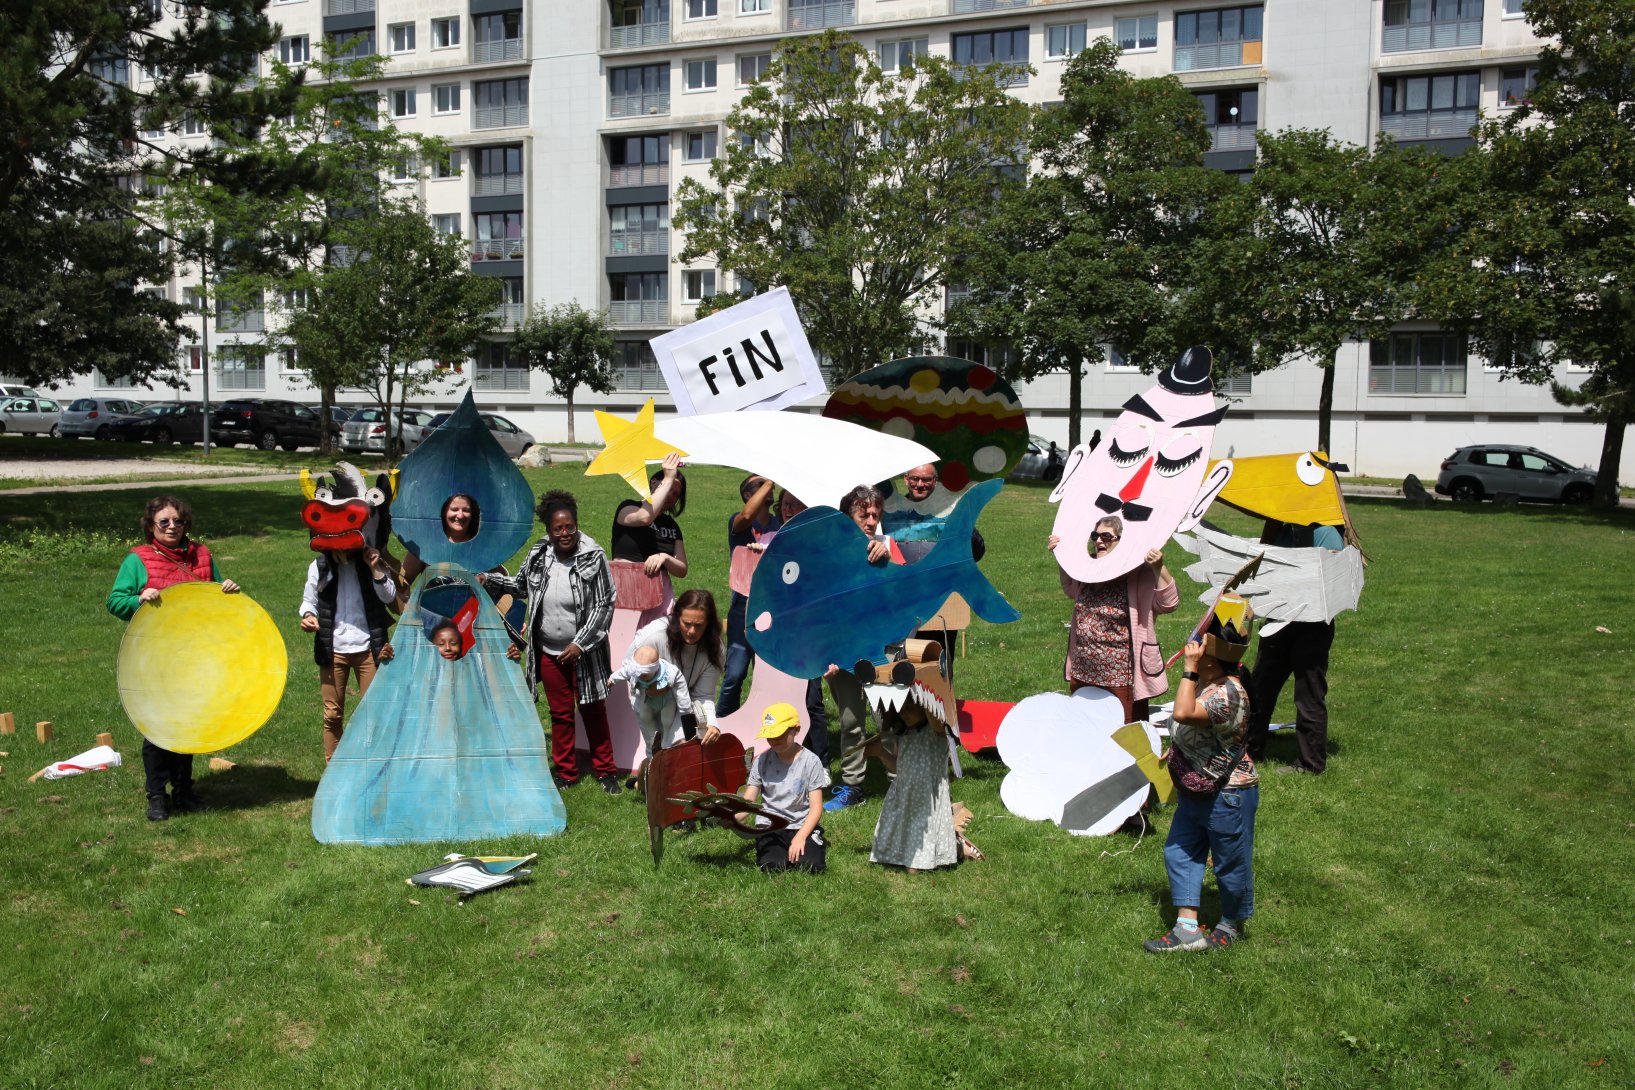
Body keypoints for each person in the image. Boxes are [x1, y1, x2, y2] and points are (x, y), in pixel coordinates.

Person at [105, 495, 241, 821]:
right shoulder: (138, 560)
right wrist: (138, 599)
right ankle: (157, 797)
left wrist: (228, 590)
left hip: (194, 654)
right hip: (155, 657)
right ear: (150, 525)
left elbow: (213, 596)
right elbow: (115, 601)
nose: (171, 527)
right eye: (164, 521)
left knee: (187, 723)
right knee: (157, 728)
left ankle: (183, 792)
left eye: (178, 521)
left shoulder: (201, 555)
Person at [481, 489, 621, 794]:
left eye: (570, 526)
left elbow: (605, 603)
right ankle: (566, 773)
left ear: (576, 524)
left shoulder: (593, 555)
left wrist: (579, 644)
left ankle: (606, 772)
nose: (565, 533)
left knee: (593, 712)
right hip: (548, 651)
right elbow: (520, 586)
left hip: (585, 653)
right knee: (560, 715)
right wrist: (489, 580)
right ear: (549, 529)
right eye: (558, 528)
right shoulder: (539, 554)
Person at [1145, 612, 1258, 953]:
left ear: (1210, 659)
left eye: (1198, 646)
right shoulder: (1209, 683)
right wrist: (1180, 749)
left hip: (1227, 794)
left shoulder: (1227, 694)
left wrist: (1189, 669)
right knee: (1180, 852)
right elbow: (1188, 725)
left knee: (1230, 863)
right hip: (1196, 787)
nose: (1190, 647)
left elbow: (1183, 712)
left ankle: (1230, 924)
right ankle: (1187, 929)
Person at [1048, 514, 1179, 724]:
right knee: (1086, 727)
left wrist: (1158, 567)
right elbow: (1070, 589)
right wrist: (1062, 557)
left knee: (1124, 732)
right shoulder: (1087, 566)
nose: (1099, 541)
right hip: (1083, 672)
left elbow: (1169, 603)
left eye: (1106, 537)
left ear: (1122, 541)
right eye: (1095, 536)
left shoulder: (1139, 573)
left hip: (1120, 677)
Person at [1246, 520, 1346, 775]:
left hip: (1312, 624)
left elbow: (1334, 580)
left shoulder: (1326, 534)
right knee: (1260, 687)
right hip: (1278, 618)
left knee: (1308, 692)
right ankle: (1249, 750)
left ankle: (1310, 763)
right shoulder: (1280, 531)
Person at [823, 484, 895, 811]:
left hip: (879, 649)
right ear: (847, 517)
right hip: (843, 652)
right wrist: (828, 653)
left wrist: (887, 559)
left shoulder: (886, 547)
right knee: (850, 722)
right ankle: (853, 785)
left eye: (875, 515)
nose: (871, 521)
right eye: (863, 515)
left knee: (887, 720)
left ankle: (898, 781)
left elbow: (903, 588)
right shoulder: (830, 554)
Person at [299, 541, 398, 761]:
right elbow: (309, 601)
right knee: (332, 715)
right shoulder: (319, 566)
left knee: (374, 714)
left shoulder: (371, 561)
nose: (343, 550)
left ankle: (374, 767)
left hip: (369, 648)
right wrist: (308, 615)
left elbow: (389, 596)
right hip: (333, 649)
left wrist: (375, 568)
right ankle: (333, 769)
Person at [867, 701, 959, 873]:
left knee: (913, 870)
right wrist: (880, 752)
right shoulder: (904, 733)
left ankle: (958, 846)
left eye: (909, 707)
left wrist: (925, 694)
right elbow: (899, 767)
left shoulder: (936, 731)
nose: (904, 712)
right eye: (900, 708)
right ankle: (910, 854)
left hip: (926, 801)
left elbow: (934, 715)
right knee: (890, 856)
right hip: (904, 796)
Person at [740, 702, 830, 874]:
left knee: (811, 866)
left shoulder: (811, 761)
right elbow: (748, 801)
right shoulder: (761, 761)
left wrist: (801, 836)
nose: (774, 740)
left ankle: (812, 839)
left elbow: (816, 808)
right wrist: (733, 818)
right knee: (772, 866)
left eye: (779, 734)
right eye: (770, 735)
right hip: (770, 826)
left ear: (796, 730)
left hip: (801, 824)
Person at [717, 475, 779, 719]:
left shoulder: (780, 524)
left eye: (769, 483)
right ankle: (722, 723)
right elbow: (745, 516)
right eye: (761, 484)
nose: (769, 486)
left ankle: (768, 725)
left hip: (773, 607)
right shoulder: (738, 521)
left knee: (767, 675)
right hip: (743, 606)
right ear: (747, 495)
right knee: (735, 673)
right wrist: (770, 479)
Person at [632, 588, 725, 744]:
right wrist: (647, 687)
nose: (692, 631)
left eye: (699, 625)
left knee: (683, 748)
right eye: (686, 624)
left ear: (708, 624)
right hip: (648, 702)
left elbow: (703, 695)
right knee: (656, 752)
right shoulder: (653, 637)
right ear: (676, 617)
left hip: (684, 703)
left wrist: (711, 723)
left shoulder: (715, 648)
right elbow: (629, 671)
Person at [609, 452, 688, 623]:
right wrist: (668, 478)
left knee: (657, 638)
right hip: (627, 587)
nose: (671, 496)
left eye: (676, 494)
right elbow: (645, 517)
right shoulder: (628, 508)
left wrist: (665, 557)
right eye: (669, 488)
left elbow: (682, 570)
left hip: (659, 595)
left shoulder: (671, 525)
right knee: (622, 637)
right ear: (653, 482)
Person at [607, 644, 693, 757]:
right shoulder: (635, 670)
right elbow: (624, 672)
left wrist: (686, 710)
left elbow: (681, 686)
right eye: (639, 674)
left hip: (667, 701)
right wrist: (613, 679)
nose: (640, 676)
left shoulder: (669, 672)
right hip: (649, 700)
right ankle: (654, 738)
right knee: (644, 716)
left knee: (667, 720)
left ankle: (666, 741)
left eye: (645, 675)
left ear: (655, 669)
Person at [399, 493, 479, 595]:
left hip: (473, 605)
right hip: (431, 605)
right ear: (444, 511)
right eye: (454, 509)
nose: (460, 515)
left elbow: (499, 580)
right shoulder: (426, 544)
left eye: (466, 510)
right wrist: (407, 602)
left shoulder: (482, 545)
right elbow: (403, 580)